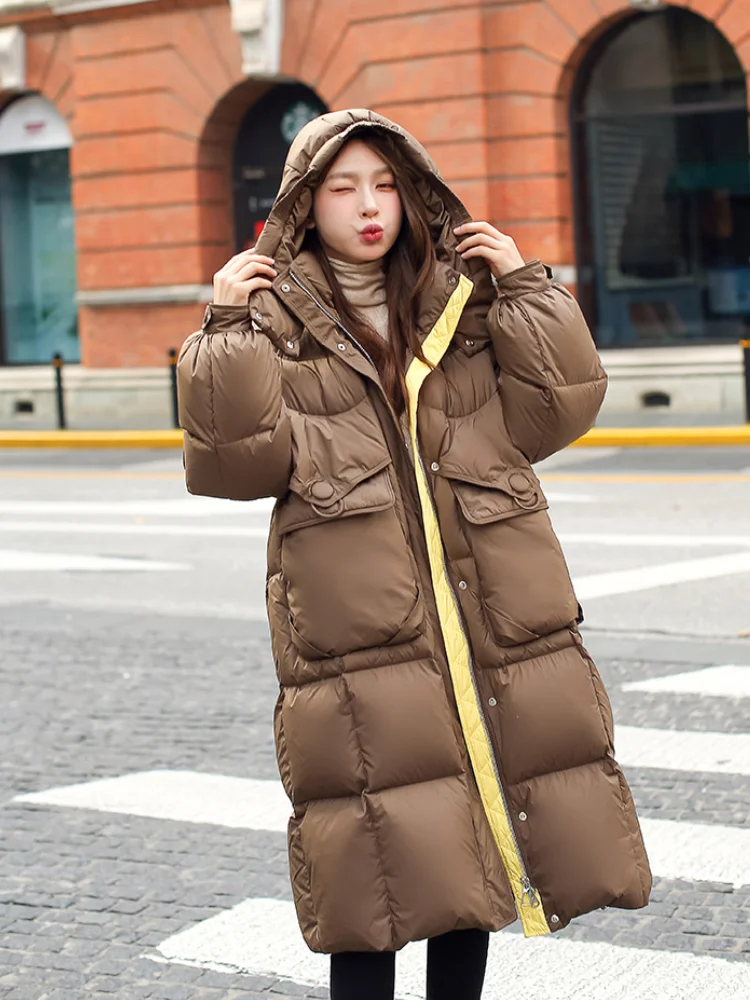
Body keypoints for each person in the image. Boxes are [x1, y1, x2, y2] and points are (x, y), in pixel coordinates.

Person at [177, 109, 652, 1000]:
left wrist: (527, 290)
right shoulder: (271, 321)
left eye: (387, 186)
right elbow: (234, 466)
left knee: (470, 872)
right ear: (302, 206)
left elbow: (559, 413)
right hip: (361, 649)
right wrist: (226, 329)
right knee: (373, 874)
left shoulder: (465, 301)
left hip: (489, 634)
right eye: (343, 188)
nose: (369, 207)